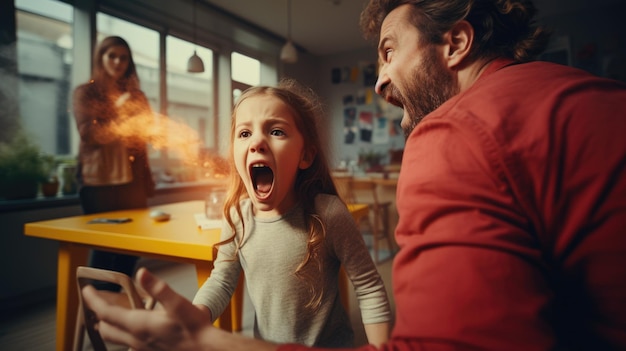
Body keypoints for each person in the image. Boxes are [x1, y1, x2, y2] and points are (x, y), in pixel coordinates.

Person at [81, 0, 626, 350]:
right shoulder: (580, 91)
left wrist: (204, 344)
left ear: (456, 44)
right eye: (242, 134)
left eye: (389, 53)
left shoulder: (455, 133)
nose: (380, 81)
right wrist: (197, 320)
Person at [191, 80, 390, 347]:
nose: (257, 142)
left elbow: (369, 288)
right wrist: (192, 318)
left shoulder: (329, 213)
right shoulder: (237, 216)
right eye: (244, 134)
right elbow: (221, 281)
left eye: (276, 131)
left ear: (305, 156)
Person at [73, 36, 155, 290]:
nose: (118, 62)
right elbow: (89, 134)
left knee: (132, 246)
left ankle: (116, 299)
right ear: (101, 58)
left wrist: (148, 180)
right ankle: (97, 307)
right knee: (104, 247)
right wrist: (119, 113)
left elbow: (144, 138)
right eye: (112, 56)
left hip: (131, 182)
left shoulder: (136, 96)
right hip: (98, 184)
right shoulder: (85, 93)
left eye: (123, 57)